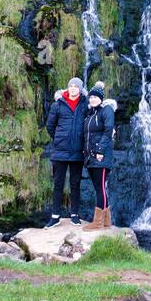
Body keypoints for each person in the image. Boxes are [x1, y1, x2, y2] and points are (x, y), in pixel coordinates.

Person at [43, 76, 88, 226]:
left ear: (80, 89)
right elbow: (50, 125)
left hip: (78, 151)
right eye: (71, 85)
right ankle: (55, 216)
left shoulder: (85, 104)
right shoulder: (58, 104)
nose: (73, 88)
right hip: (60, 151)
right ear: (68, 88)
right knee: (58, 184)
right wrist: (58, 139)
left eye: (76, 86)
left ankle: (74, 215)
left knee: (75, 184)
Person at [82, 83, 117, 230]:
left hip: (100, 156)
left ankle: (98, 222)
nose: (92, 99)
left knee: (100, 188)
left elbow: (108, 130)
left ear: (101, 99)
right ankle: (107, 221)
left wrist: (100, 151)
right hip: (90, 156)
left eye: (95, 96)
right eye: (91, 97)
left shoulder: (106, 110)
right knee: (99, 187)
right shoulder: (91, 114)